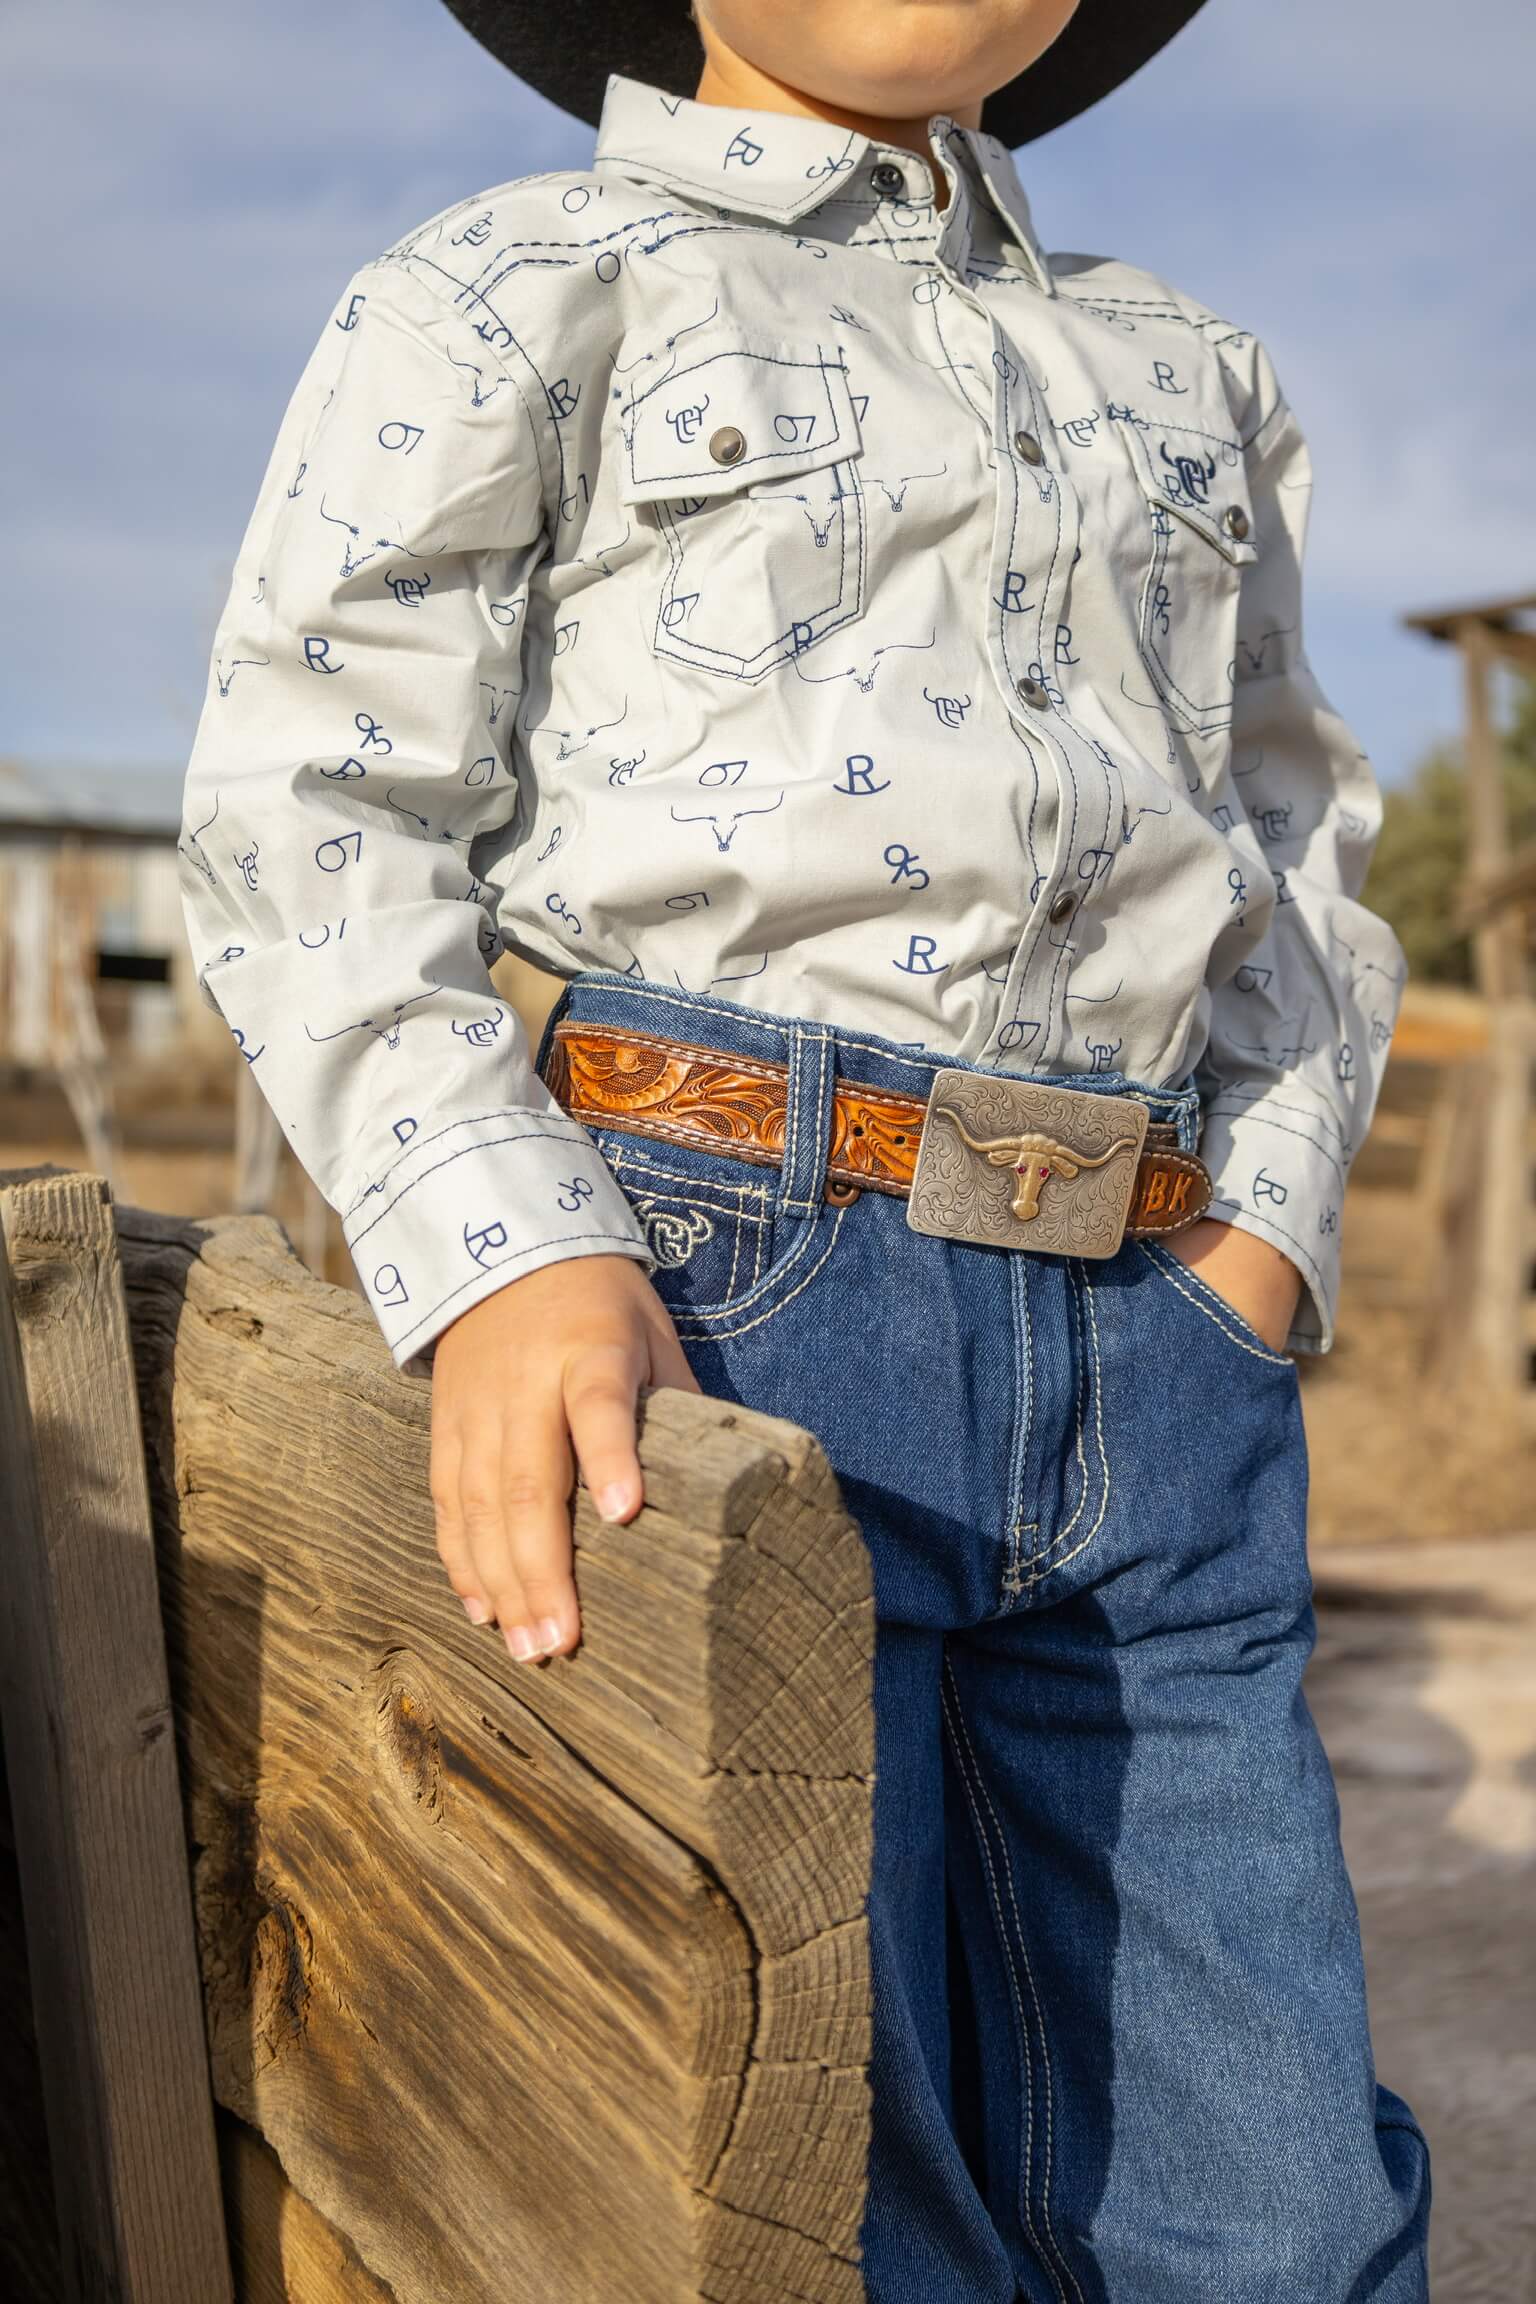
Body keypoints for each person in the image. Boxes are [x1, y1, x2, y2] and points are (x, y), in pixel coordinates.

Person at [177, 0, 1432, 2292]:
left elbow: (1289, 834)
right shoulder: (518, 283)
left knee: (1273, 2191)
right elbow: (316, 798)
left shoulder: (1190, 372)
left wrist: (1252, 1246)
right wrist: (505, 1238)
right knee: (812, 2152)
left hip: (1158, 1343)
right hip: (710, 1294)